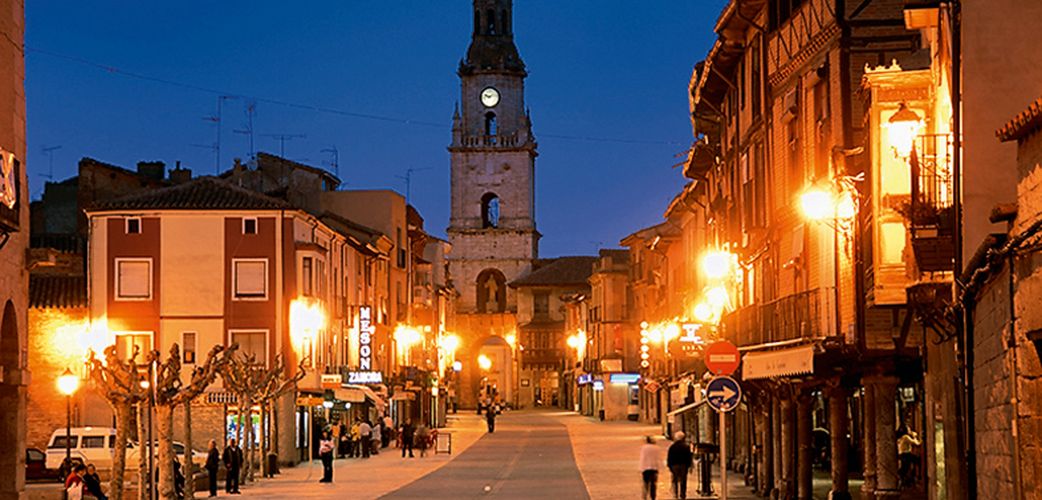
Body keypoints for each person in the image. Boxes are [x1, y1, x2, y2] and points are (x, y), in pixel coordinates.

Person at [667, 431, 693, 500]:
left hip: (674, 465)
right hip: (683, 465)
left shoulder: (672, 447)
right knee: (683, 480)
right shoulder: (686, 447)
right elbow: (688, 457)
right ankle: (683, 495)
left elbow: (669, 457)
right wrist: (689, 465)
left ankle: (675, 494)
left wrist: (669, 466)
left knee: (675, 480)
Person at [639, 436, 660, 500]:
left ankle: (645, 496)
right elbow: (658, 458)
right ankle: (653, 496)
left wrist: (641, 467)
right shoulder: (656, 448)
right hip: (654, 468)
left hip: (645, 467)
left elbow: (642, 458)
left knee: (645, 483)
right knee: (653, 483)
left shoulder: (644, 448)